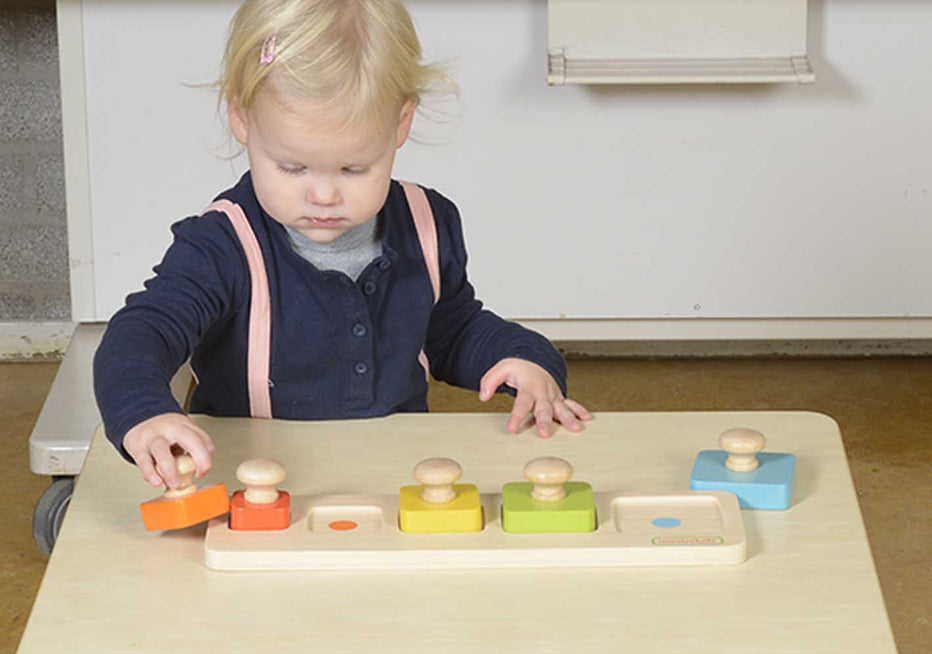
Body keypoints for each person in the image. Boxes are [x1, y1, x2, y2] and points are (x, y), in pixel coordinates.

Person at [93, 0, 591, 491]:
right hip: (254, 482)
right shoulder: (222, 245)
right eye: (292, 167)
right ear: (242, 120)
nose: (324, 195)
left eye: (354, 168)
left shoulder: (425, 223)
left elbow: (452, 330)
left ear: (401, 124)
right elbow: (141, 333)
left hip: (391, 474)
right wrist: (145, 412)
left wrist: (525, 358)